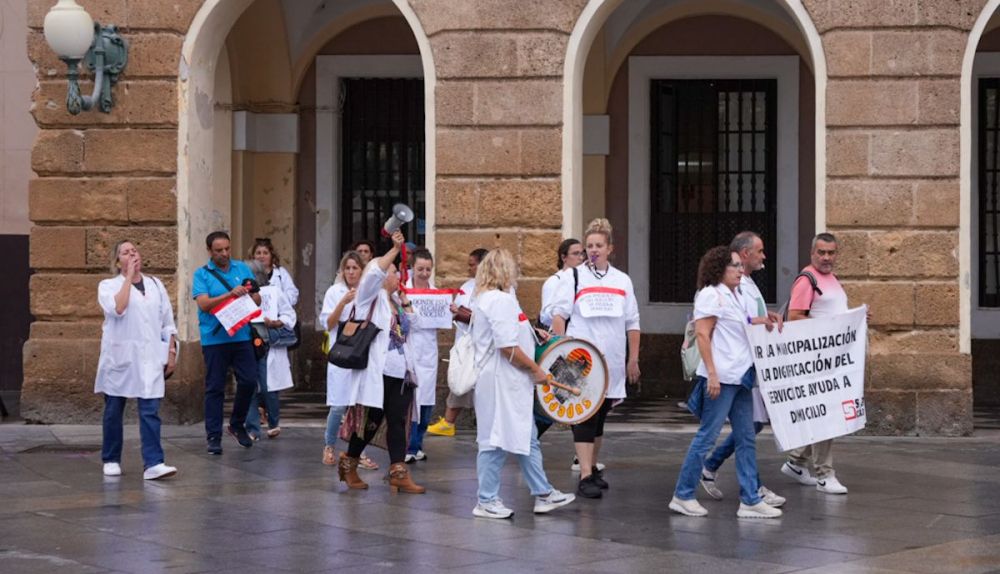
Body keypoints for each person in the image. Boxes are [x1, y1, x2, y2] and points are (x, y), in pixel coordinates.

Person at [669, 246, 781, 519]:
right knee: (706, 437)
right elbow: (703, 335)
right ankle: (683, 495)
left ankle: (750, 500)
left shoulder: (735, 295)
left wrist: (764, 319)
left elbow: (741, 322)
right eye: (734, 266)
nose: (740, 270)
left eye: (740, 266)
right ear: (719, 269)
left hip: (740, 375)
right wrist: (713, 374)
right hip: (722, 377)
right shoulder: (711, 295)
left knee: (745, 438)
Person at [470, 249, 576, 518]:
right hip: (501, 381)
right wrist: (536, 370)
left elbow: (510, 333)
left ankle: (543, 493)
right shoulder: (499, 300)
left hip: (507, 382)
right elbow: (507, 348)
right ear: (505, 271)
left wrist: (532, 332)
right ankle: (486, 499)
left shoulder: (494, 298)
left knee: (526, 438)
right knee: (494, 440)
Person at [551, 219, 640, 499]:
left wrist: (633, 359)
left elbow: (632, 322)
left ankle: (592, 467)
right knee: (583, 416)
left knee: (600, 416)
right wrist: (561, 351)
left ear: (610, 248)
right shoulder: (573, 277)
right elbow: (558, 317)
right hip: (580, 360)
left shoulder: (621, 280)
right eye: (589, 246)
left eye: (598, 246)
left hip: (611, 360)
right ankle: (586, 474)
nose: (593, 250)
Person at [699, 231, 785, 508]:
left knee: (752, 427)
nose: (764, 256)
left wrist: (765, 318)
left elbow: (747, 319)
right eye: (759, 251)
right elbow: (716, 329)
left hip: (748, 365)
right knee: (738, 430)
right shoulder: (728, 289)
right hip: (733, 369)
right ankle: (751, 490)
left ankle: (714, 467)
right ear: (745, 254)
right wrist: (712, 372)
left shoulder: (746, 285)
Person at [336, 230, 425, 494]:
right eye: (393, 272)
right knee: (371, 421)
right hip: (380, 371)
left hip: (402, 371)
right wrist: (394, 250)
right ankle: (350, 463)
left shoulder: (397, 302)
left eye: (397, 272)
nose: (396, 276)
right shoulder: (367, 298)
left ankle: (398, 471)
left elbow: (416, 324)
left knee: (397, 420)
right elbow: (374, 271)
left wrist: (405, 300)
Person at [96, 241, 178, 480]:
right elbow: (118, 308)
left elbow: (167, 320)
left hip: (150, 356)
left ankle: (154, 462)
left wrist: (171, 351)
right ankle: (111, 458)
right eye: (125, 252)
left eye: (134, 251)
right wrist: (128, 277)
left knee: (150, 410)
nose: (132, 254)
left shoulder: (155, 284)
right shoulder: (108, 286)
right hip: (120, 357)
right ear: (117, 261)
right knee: (114, 409)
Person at [780, 232, 850, 495]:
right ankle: (824, 474)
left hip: (831, 361)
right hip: (816, 362)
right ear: (812, 254)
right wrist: (832, 326)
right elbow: (796, 318)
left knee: (824, 414)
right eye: (821, 252)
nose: (826, 257)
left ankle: (796, 461)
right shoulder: (806, 279)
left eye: (831, 252)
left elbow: (833, 313)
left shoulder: (830, 280)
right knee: (826, 416)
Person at [192, 231, 261, 454]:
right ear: (210, 251)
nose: (224, 254)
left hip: (241, 335)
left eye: (227, 249)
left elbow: (257, 298)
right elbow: (204, 304)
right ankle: (213, 435)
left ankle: (236, 423)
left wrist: (250, 295)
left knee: (249, 381)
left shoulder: (242, 268)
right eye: (219, 250)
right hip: (214, 339)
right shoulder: (201, 274)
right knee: (215, 388)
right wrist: (230, 294)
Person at [427, 247, 489, 436]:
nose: (469, 269)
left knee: (485, 386)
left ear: (482, 265)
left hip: (485, 345)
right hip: (464, 342)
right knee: (460, 380)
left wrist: (463, 315)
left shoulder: (497, 288)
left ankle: (485, 424)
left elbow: (488, 318)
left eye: (472, 265)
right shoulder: (466, 286)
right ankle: (448, 422)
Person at [245, 261, 296, 440]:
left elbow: (289, 315)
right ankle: (252, 428)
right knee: (249, 385)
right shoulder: (240, 295)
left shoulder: (274, 292)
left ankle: (273, 422)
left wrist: (275, 323)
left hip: (268, 345)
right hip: (246, 344)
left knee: (269, 386)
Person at [405, 248, 439, 463]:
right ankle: (409, 445)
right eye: (420, 269)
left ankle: (418, 444)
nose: (424, 273)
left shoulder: (436, 294)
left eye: (428, 269)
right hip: (409, 350)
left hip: (428, 352)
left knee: (426, 403)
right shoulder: (403, 292)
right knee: (411, 402)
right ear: (412, 268)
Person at [538, 238, 584, 328]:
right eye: (575, 254)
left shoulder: (584, 279)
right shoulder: (554, 281)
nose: (581, 258)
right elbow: (544, 317)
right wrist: (560, 312)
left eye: (582, 253)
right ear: (564, 257)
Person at [249, 237, 299, 306]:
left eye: (265, 253)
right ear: (253, 256)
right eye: (258, 253)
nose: (261, 256)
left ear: (271, 255)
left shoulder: (281, 272)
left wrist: (279, 300)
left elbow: (293, 294)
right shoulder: (247, 272)